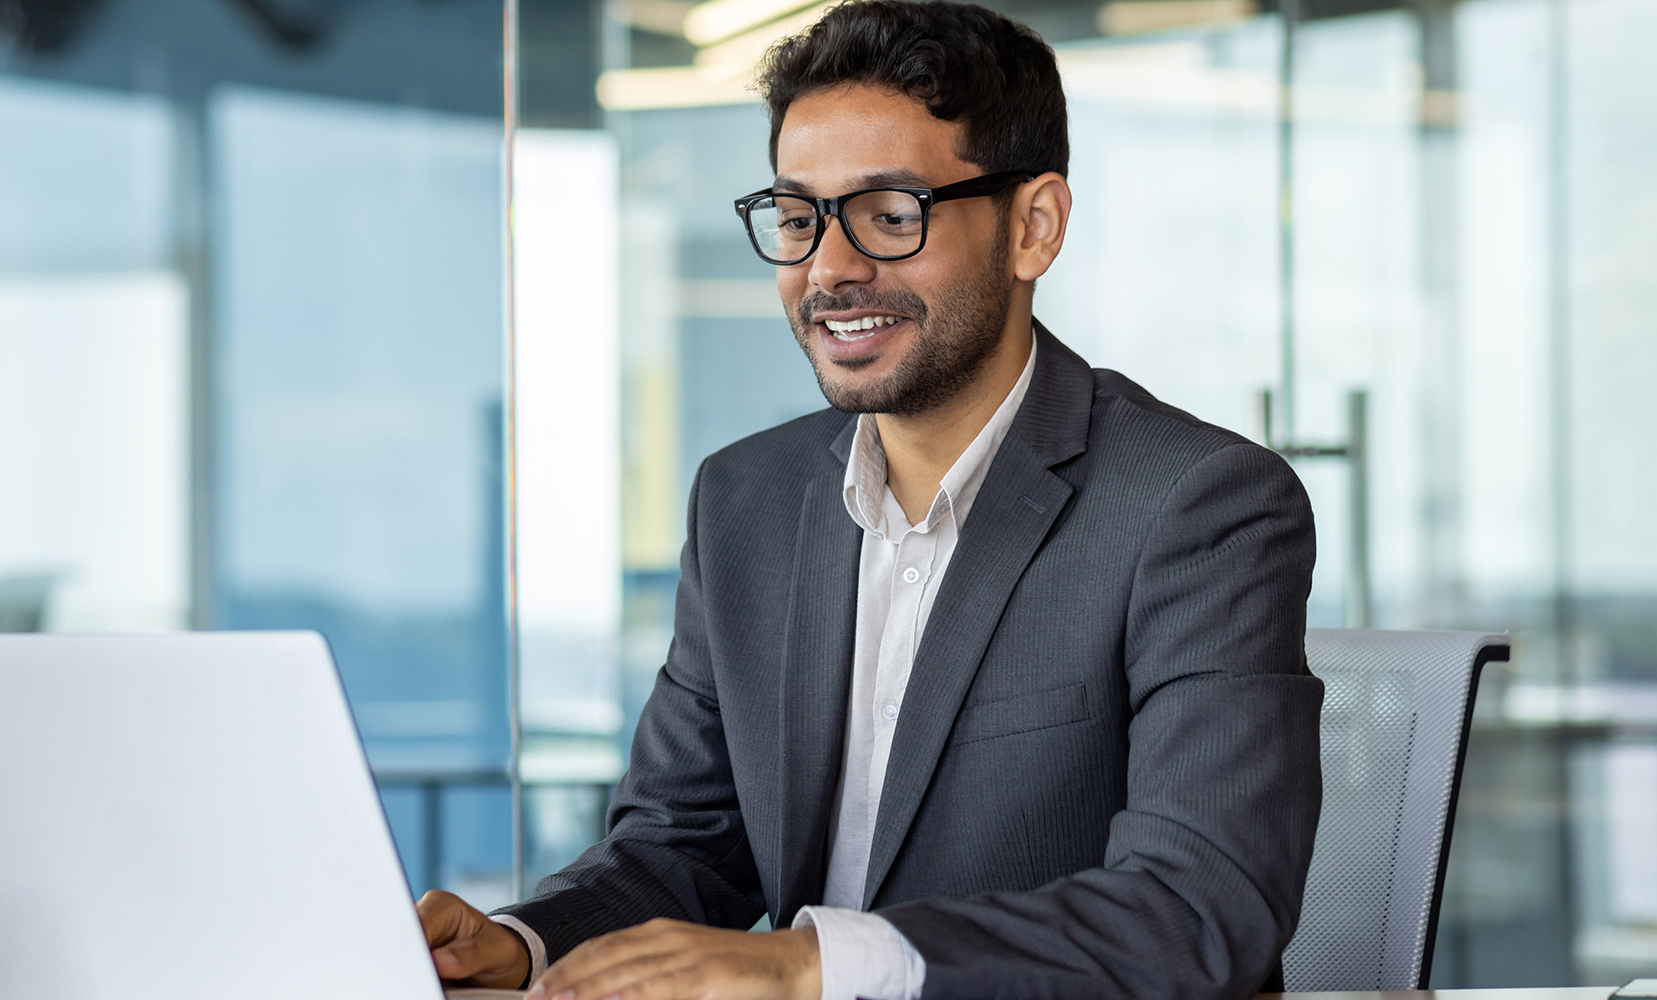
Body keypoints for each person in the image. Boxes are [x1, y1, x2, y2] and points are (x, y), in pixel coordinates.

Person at [418, 3, 1323, 997]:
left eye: (891, 213)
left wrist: (811, 961)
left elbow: (1196, 909)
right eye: (799, 217)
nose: (830, 269)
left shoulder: (1195, 506)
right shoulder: (743, 502)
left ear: (1033, 226)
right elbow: (680, 849)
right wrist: (520, 940)